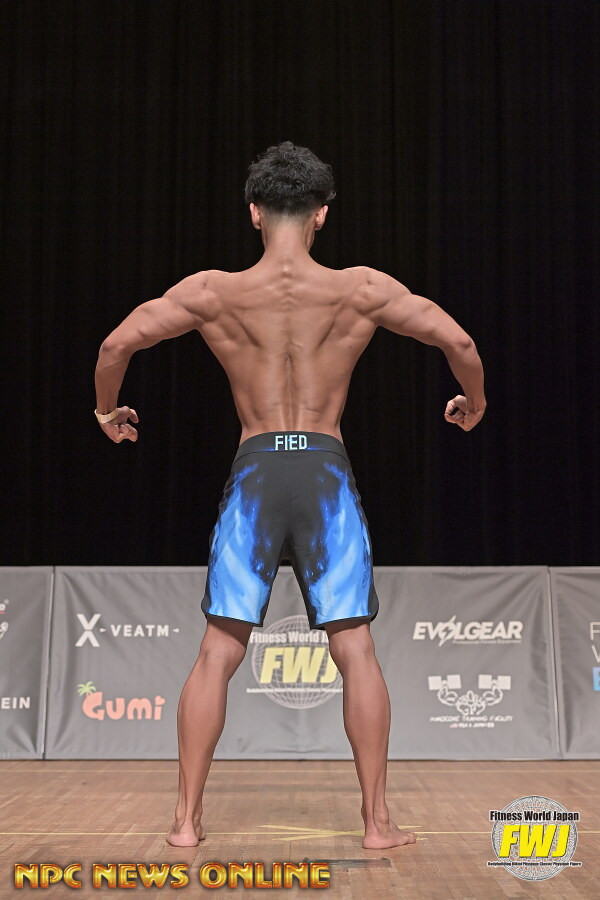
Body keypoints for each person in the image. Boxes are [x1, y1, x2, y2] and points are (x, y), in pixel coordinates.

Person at [94, 141, 486, 850]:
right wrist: (474, 402)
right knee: (355, 648)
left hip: (255, 475)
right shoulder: (360, 289)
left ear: (253, 212)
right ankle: (377, 824)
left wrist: (106, 411)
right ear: (322, 214)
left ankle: (185, 823)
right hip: (324, 475)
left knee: (218, 649)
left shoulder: (212, 293)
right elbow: (458, 342)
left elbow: (115, 347)